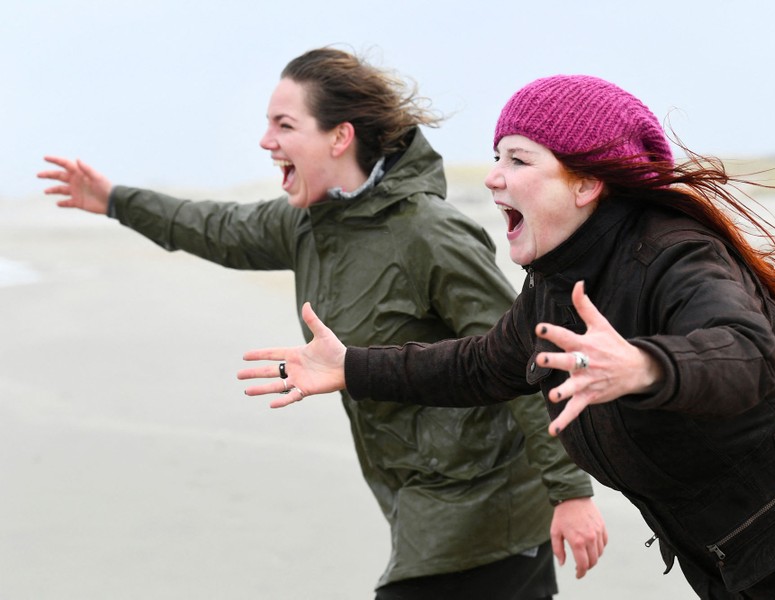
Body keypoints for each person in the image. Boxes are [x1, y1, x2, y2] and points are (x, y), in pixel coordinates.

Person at [238, 74, 775, 599]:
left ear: (586, 182)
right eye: (495, 158)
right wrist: (352, 368)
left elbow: (741, 350)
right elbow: (474, 367)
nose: (494, 176)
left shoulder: (673, 254)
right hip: (766, 558)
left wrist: (645, 366)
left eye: (519, 159)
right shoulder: (555, 286)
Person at [38, 50, 609, 599]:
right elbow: (215, 226)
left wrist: (570, 491)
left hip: (485, 503)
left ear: (340, 137)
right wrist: (115, 199)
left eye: (284, 125)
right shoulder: (312, 224)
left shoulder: (428, 233)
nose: (266, 141)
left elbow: (521, 360)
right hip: (418, 500)